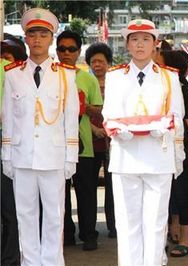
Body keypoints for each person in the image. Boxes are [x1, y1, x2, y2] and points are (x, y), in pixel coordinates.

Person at [102, 19, 184, 266]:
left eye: (146, 39)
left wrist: (164, 129)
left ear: (155, 45)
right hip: (125, 157)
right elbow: (108, 114)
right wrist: (118, 130)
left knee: (156, 222)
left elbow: (177, 115)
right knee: (127, 222)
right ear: (126, 44)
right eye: (134, 39)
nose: (140, 44)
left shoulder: (169, 78)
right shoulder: (115, 76)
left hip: (157, 157)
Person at [2, 8, 79, 265]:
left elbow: (71, 120)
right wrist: (6, 156)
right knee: (25, 215)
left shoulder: (66, 75)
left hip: (54, 155)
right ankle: (30, 262)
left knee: (55, 215)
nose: (37, 40)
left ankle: (53, 262)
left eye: (43, 34)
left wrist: (71, 157)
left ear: (51, 39)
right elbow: (9, 118)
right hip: (22, 155)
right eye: (32, 34)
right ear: (25, 38)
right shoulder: (13, 74)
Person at [56, 30, 103, 250]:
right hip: (55, 146)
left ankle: (89, 234)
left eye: (71, 49)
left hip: (82, 145)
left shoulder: (87, 78)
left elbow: (99, 110)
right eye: (62, 49)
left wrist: (84, 106)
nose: (66, 53)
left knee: (86, 192)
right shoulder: (50, 74)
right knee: (59, 194)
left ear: (78, 51)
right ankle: (65, 234)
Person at [155, 50, 188, 257]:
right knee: (164, 197)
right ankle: (166, 234)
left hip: (182, 151)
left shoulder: (182, 90)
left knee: (182, 195)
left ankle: (186, 240)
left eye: (160, 62)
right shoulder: (157, 87)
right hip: (159, 151)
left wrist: (163, 124)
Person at [1, 33, 27, 266]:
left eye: (6, 57)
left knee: (11, 210)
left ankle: (10, 259)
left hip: (11, 150)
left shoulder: (18, 75)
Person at [85, 42, 116, 239]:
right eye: (93, 61)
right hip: (90, 142)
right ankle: (89, 231)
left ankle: (114, 226)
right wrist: (94, 129)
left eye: (101, 61)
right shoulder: (85, 82)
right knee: (88, 187)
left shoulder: (116, 83)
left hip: (113, 143)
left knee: (114, 188)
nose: (97, 65)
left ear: (108, 63)